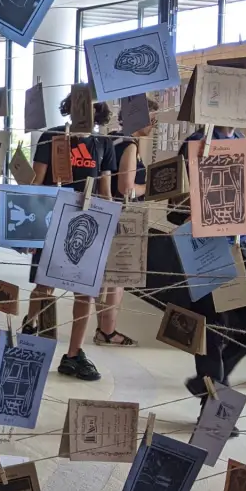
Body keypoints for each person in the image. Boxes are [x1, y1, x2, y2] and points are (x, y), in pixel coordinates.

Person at [176, 125, 246, 414]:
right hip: (207, 246)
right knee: (211, 329)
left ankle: (209, 382)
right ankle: (212, 408)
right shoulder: (196, 143)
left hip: (242, 244)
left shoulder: (241, 141)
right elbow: (178, 204)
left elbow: (238, 196)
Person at [25, 91, 115, 380]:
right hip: (53, 222)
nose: (84, 111)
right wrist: (29, 230)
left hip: (87, 225)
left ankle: (74, 354)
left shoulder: (103, 144)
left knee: (85, 291)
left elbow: (107, 192)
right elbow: (37, 183)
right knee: (44, 286)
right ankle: (30, 333)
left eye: (90, 106)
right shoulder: (52, 137)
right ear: (70, 107)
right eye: (79, 105)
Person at [94, 98, 158, 347]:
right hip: (123, 217)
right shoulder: (130, 146)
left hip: (106, 214)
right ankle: (108, 332)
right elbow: (127, 189)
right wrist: (151, 187)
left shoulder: (112, 138)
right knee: (117, 279)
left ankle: (104, 329)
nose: (154, 125)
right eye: (151, 119)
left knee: (106, 279)